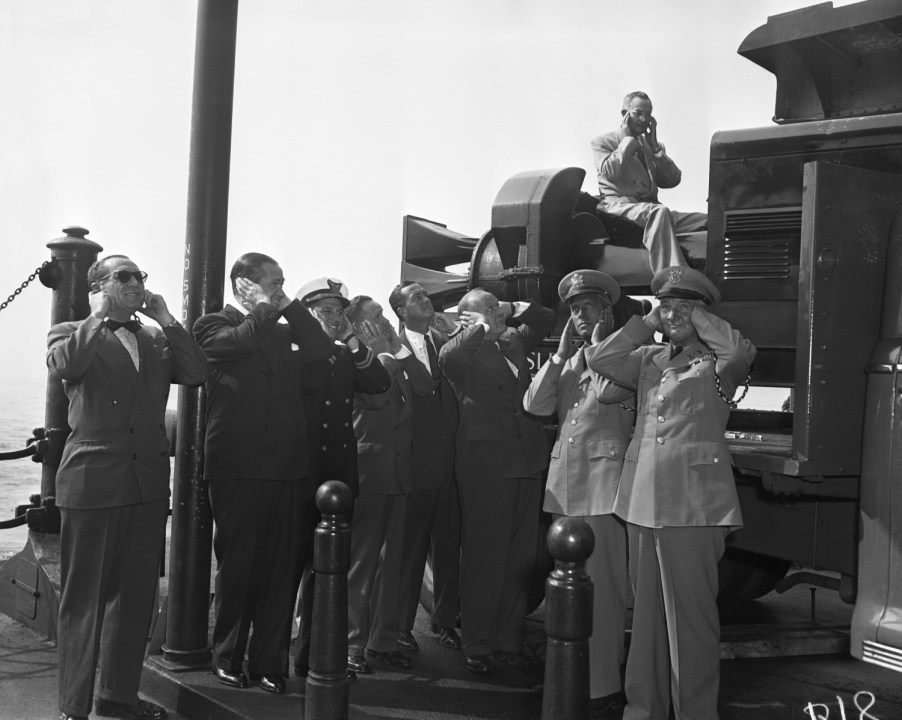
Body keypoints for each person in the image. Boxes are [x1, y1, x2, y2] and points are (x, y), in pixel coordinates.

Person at [584, 266, 755, 720]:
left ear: (703, 313)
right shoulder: (648, 358)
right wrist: (648, 322)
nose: (673, 313)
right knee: (647, 622)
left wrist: (693, 318)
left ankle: (696, 714)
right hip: (642, 501)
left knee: (691, 624)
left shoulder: (720, 361)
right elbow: (599, 360)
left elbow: (735, 350)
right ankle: (643, 709)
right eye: (667, 305)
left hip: (694, 505)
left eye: (686, 305)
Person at [48, 254, 208, 720]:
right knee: (84, 600)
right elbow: (65, 366)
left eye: (140, 276)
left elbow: (196, 372)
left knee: (136, 597)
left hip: (147, 485)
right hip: (93, 482)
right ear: (98, 286)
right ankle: (72, 707)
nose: (137, 282)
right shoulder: (70, 332)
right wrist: (96, 316)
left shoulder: (155, 338)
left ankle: (115, 698)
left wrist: (168, 319)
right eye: (124, 276)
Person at [193, 253, 333, 694]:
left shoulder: (284, 325)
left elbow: (321, 348)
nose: (278, 287)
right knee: (239, 565)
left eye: (281, 282)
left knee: (280, 569)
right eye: (271, 281)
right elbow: (237, 345)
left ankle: (270, 661)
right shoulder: (212, 324)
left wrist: (286, 302)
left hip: (287, 466)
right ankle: (228, 656)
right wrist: (261, 307)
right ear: (244, 285)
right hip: (237, 466)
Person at [522, 270, 633, 717]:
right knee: (567, 594)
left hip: (603, 493)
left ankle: (603, 684)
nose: (580, 316)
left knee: (603, 594)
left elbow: (610, 394)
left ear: (607, 311)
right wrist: (561, 355)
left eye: (588, 307)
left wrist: (599, 347)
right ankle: (571, 673)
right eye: (574, 310)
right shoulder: (570, 361)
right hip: (566, 492)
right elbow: (535, 405)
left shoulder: (625, 356)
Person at [439, 289, 555, 674]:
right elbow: (452, 357)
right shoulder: (458, 351)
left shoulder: (513, 341)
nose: (495, 312)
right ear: (467, 319)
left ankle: (509, 641)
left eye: (495, 305)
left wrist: (506, 308)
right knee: (484, 558)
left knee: (520, 560)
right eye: (485, 308)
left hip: (526, 461)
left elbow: (543, 316)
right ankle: (477, 643)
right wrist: (479, 324)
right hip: (486, 465)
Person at [291, 276, 391, 678]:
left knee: (327, 569)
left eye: (338, 311)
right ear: (305, 313)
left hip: (337, 475)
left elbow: (378, 382)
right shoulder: (293, 352)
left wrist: (352, 337)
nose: (334, 318)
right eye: (325, 311)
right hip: (300, 472)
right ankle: (277, 653)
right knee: (291, 567)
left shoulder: (344, 353)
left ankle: (314, 657)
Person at [344, 295, 434, 675]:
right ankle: (349, 644)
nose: (382, 321)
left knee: (389, 562)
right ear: (359, 326)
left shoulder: (390, 354)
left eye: (383, 315)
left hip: (398, 473)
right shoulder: (358, 361)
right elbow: (378, 396)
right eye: (374, 317)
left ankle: (380, 642)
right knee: (361, 563)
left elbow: (425, 387)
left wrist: (395, 347)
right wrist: (382, 352)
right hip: (370, 472)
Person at [387, 282, 461, 652]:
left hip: (451, 464)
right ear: (401, 311)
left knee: (448, 547)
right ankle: (400, 626)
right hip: (416, 465)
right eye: (416, 297)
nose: (426, 299)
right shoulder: (390, 347)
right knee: (411, 549)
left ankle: (445, 621)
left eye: (425, 295)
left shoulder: (445, 341)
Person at [590, 90, 706, 273]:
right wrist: (627, 140)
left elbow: (672, 180)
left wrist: (656, 148)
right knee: (659, 212)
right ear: (624, 115)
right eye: (638, 113)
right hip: (618, 206)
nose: (644, 119)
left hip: (649, 208)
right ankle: (671, 275)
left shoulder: (648, 145)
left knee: (708, 220)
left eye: (648, 114)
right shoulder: (603, 142)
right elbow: (610, 173)